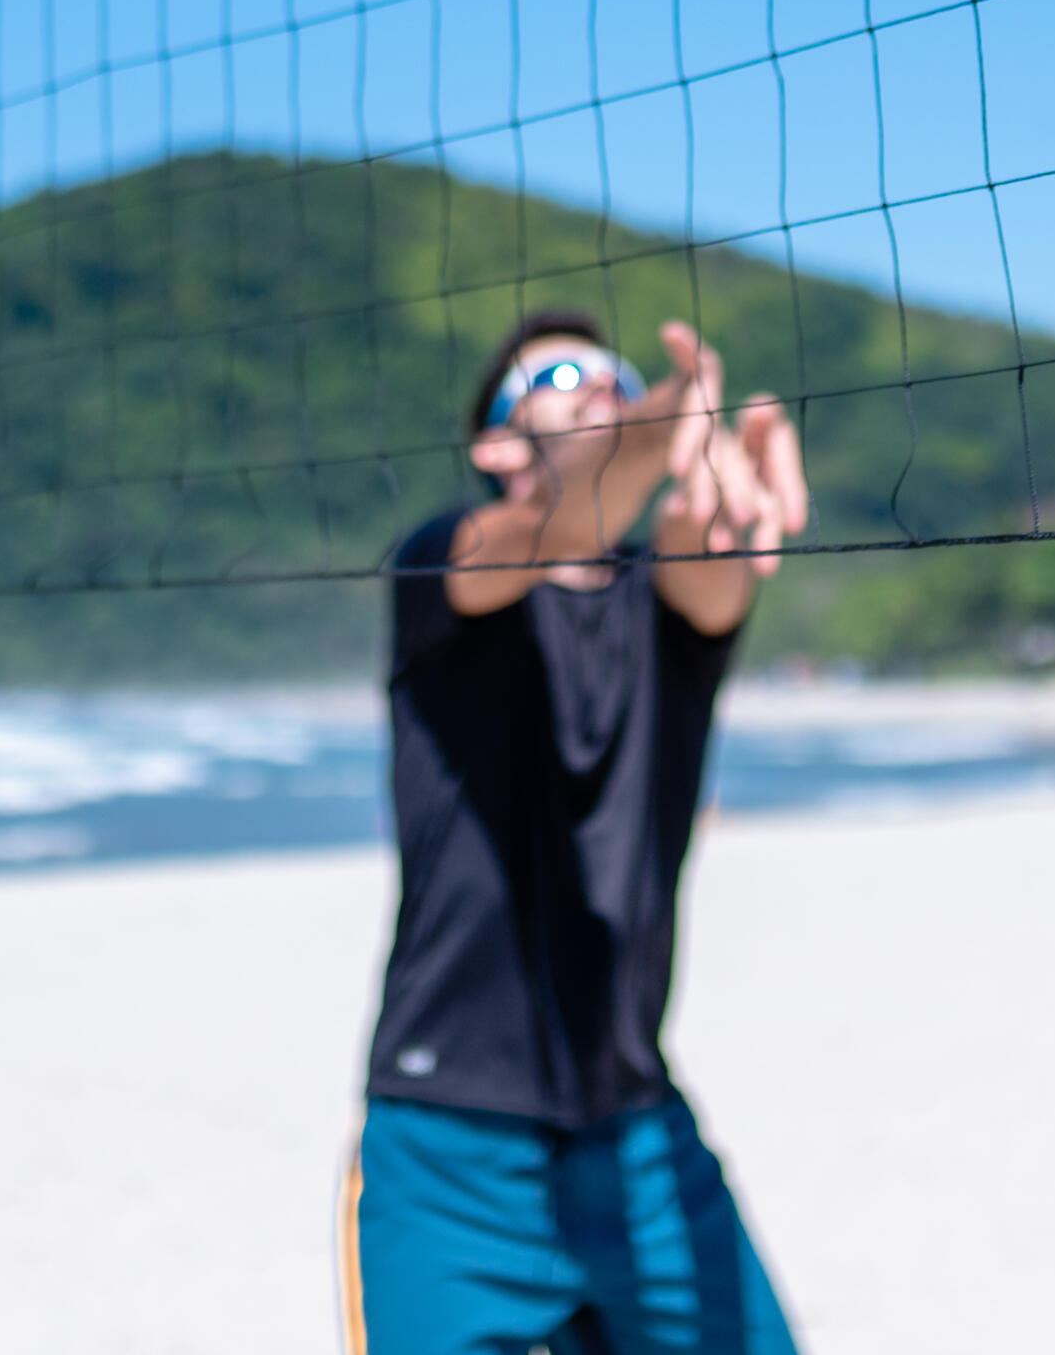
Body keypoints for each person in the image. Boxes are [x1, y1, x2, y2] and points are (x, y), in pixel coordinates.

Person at [341, 309, 810, 1355]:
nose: (600, 385)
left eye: (618, 375)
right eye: (561, 375)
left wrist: (706, 500)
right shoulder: (440, 565)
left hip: (636, 1132)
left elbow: (707, 566)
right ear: (496, 445)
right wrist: (657, 426)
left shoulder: (659, 598)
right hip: (448, 1146)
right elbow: (552, 528)